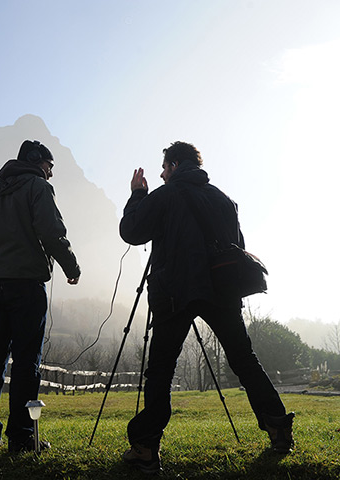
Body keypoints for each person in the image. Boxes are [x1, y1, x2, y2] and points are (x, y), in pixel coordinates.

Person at [119, 141, 294, 474]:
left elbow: (131, 231)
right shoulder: (223, 199)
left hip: (175, 292)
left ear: (173, 165)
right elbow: (236, 247)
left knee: (160, 370)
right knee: (244, 359)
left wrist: (138, 195)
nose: (160, 174)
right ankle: (277, 426)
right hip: (222, 290)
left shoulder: (165, 194)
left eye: (164, 168)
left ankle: (145, 448)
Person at [0, 139, 81, 453]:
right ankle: (22, 435)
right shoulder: (38, 188)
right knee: (27, 361)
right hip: (27, 286)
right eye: (50, 167)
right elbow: (52, 232)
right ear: (37, 161)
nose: (51, 174)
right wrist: (71, 266)